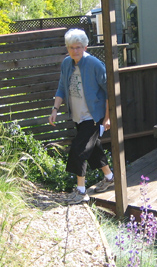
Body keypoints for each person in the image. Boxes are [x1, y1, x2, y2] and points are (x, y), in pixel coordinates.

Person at [49, 28, 115, 204]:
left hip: (93, 117)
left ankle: (81, 191)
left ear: (85, 47)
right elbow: (61, 87)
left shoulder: (94, 64)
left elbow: (110, 90)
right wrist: (55, 109)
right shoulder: (66, 64)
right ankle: (109, 178)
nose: (75, 51)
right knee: (94, 149)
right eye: (71, 47)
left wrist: (107, 118)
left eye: (78, 47)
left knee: (79, 150)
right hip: (78, 116)